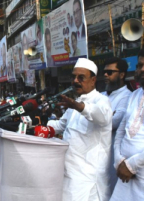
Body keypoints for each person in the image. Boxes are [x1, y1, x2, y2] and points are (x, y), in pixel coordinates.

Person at [47, 58, 113, 200]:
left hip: (88, 179)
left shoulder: (101, 101)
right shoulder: (76, 103)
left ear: (93, 80)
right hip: (68, 174)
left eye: (81, 77)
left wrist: (80, 107)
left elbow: (102, 117)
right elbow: (60, 126)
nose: (75, 81)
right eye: (74, 77)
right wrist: (34, 126)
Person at [110, 46, 144, 200]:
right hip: (125, 176)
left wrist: (132, 165)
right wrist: (118, 160)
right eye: (139, 65)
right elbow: (121, 132)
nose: (142, 69)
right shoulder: (134, 95)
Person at [101, 57, 131, 192]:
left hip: (112, 155)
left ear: (122, 74)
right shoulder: (100, 95)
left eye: (110, 72)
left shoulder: (128, 96)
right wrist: (106, 116)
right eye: (104, 72)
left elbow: (114, 121)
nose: (105, 75)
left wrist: (96, 116)